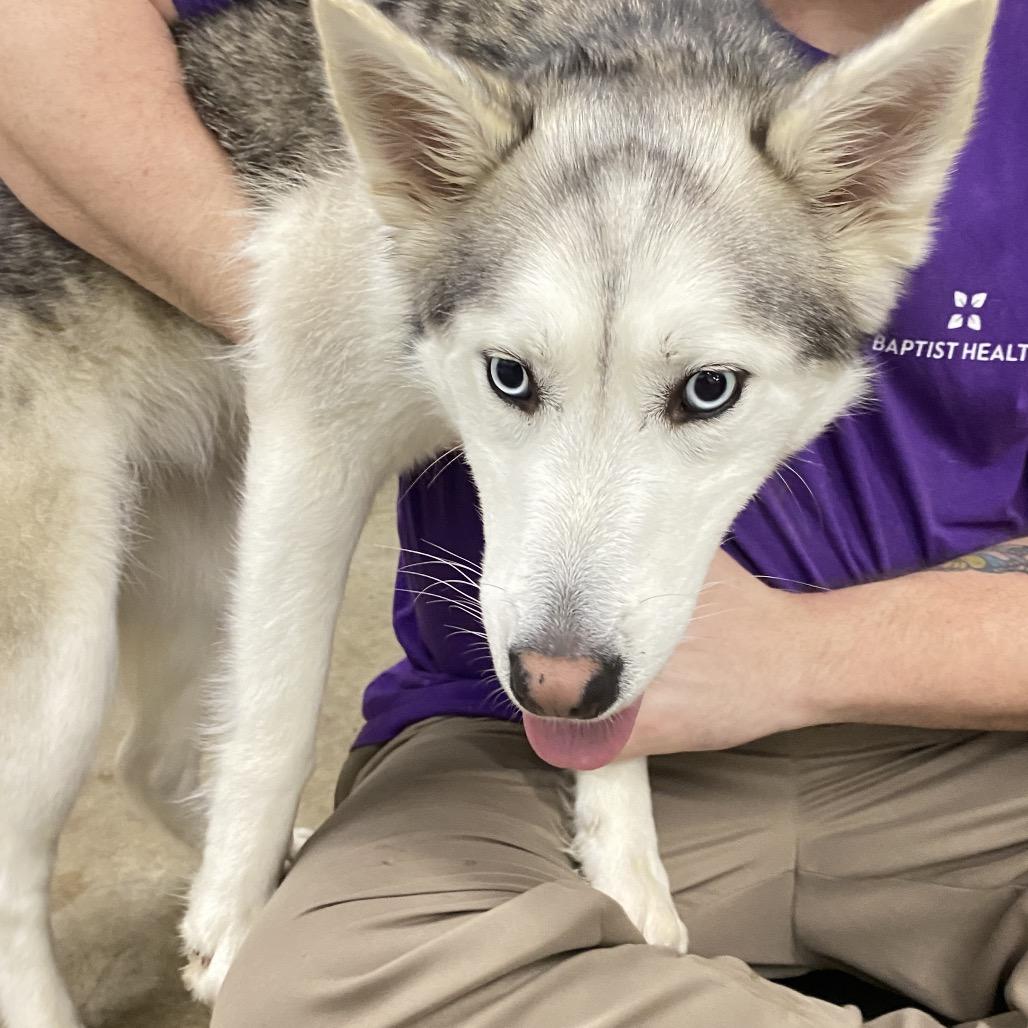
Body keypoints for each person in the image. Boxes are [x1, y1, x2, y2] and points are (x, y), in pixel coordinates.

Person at [4, 1, 1027, 1025]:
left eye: (704, 387)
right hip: (497, 755)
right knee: (304, 989)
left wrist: (801, 656)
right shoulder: (515, 90)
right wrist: (296, 325)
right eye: (512, 375)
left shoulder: (879, 138)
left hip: (967, 756)